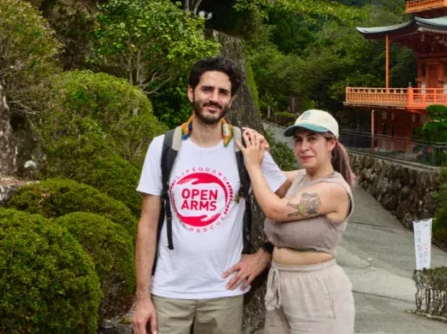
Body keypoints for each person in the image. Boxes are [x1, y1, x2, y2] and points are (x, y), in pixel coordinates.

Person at [133, 57, 287, 334]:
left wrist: (265, 253)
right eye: (207, 89)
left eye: (223, 92)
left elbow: (288, 203)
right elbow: (147, 224)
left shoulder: (247, 147)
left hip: (225, 291)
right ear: (191, 92)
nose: (214, 98)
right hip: (168, 291)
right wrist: (142, 298)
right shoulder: (163, 147)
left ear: (231, 100)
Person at [237, 109, 356, 334]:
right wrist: (261, 151)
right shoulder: (301, 177)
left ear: (331, 143)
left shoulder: (334, 189)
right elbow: (275, 183)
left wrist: (253, 164)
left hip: (316, 290)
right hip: (281, 283)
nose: (303, 147)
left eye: (313, 139)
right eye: (298, 140)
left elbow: (275, 209)